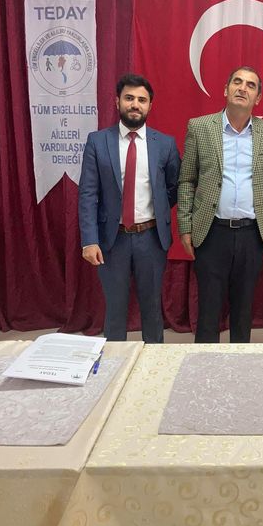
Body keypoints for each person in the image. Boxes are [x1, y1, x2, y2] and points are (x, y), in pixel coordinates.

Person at [177, 66, 263, 343]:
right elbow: (186, 180)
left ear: (258, 97)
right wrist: (185, 226)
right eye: (237, 82)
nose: (243, 88)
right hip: (211, 231)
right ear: (226, 89)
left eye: (251, 85)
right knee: (209, 311)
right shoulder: (199, 127)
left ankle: (238, 363)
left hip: (252, 234)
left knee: (244, 311)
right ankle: (203, 362)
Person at [78, 73, 181, 343]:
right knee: (115, 311)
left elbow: (175, 186)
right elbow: (88, 194)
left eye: (142, 100)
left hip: (152, 238)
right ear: (117, 102)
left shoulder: (165, 144)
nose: (135, 104)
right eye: (129, 98)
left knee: (152, 309)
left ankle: (154, 362)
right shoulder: (98, 142)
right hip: (112, 241)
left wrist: (158, 209)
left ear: (150, 106)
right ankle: (115, 363)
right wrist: (89, 240)